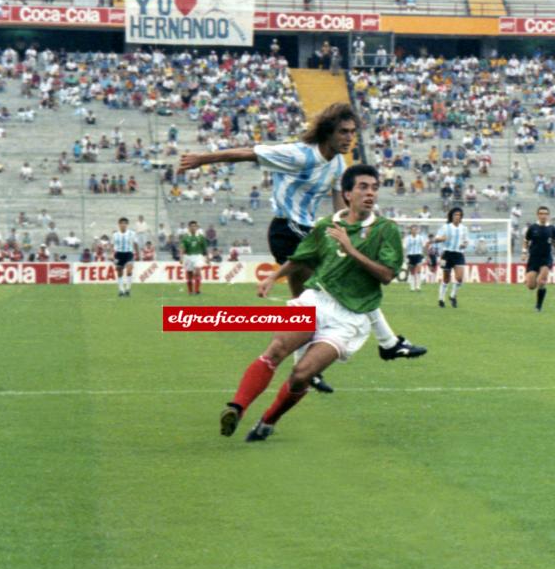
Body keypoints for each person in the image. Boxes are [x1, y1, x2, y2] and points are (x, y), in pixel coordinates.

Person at [179, 102, 424, 392]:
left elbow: (339, 206)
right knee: (343, 281)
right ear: (328, 133)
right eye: (343, 132)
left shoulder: (337, 165)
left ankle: (330, 362)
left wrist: (350, 230)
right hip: (287, 228)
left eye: (353, 132)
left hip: (308, 230)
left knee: (310, 304)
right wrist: (201, 159)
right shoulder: (299, 154)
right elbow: (248, 153)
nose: (349, 138)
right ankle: (388, 343)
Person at [219, 165, 404, 442]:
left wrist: (350, 249)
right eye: (363, 187)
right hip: (316, 300)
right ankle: (237, 407)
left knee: (301, 375)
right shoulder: (326, 225)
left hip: (348, 318)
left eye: (374, 188)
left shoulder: (386, 230)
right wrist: (273, 276)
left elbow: (388, 275)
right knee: (276, 349)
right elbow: (302, 256)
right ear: (347, 193)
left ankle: (268, 420)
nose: (370, 193)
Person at [523, 206, 555, 311]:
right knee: (531, 286)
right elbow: (526, 240)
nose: (543, 215)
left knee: (541, 281)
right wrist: (524, 252)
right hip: (534, 258)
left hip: (546, 258)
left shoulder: (552, 229)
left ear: (548, 215)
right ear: (538, 215)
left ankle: (538, 306)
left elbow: (552, 241)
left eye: (545, 214)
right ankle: (529, 280)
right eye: (541, 213)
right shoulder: (532, 228)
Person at [435, 207, 470, 308]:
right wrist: (442, 238)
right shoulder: (445, 227)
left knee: (459, 278)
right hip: (446, 254)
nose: (457, 217)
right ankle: (441, 299)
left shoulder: (464, 228)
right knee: (446, 278)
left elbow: (467, 240)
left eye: (459, 215)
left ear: (461, 217)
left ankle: (453, 296)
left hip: (458, 254)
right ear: (451, 216)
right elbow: (436, 239)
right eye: (455, 215)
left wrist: (465, 244)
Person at [112, 217, 139, 297]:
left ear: (127, 225)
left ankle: (127, 289)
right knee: (119, 272)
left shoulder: (132, 233)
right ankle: (121, 290)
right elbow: (112, 245)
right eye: (121, 223)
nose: (123, 225)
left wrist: (138, 253)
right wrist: (111, 254)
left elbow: (135, 243)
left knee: (129, 269)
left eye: (125, 223)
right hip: (119, 254)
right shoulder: (115, 234)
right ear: (119, 224)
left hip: (129, 253)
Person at [180, 220, 207, 295]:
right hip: (188, 256)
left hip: (198, 256)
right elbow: (182, 248)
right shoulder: (185, 237)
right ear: (189, 227)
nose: (193, 227)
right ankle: (190, 291)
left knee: (198, 271)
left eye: (195, 226)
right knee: (189, 274)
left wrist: (207, 258)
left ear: (197, 227)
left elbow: (204, 248)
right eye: (191, 226)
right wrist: (181, 257)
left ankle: (197, 290)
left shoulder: (200, 237)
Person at [403, 224, 427, 292]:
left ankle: (418, 287)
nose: (414, 231)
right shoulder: (407, 238)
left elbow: (424, 247)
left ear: (417, 230)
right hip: (410, 255)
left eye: (415, 229)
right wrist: (405, 257)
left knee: (418, 271)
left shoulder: (420, 238)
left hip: (418, 255)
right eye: (413, 229)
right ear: (411, 230)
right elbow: (404, 248)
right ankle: (412, 287)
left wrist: (424, 256)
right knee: (412, 272)